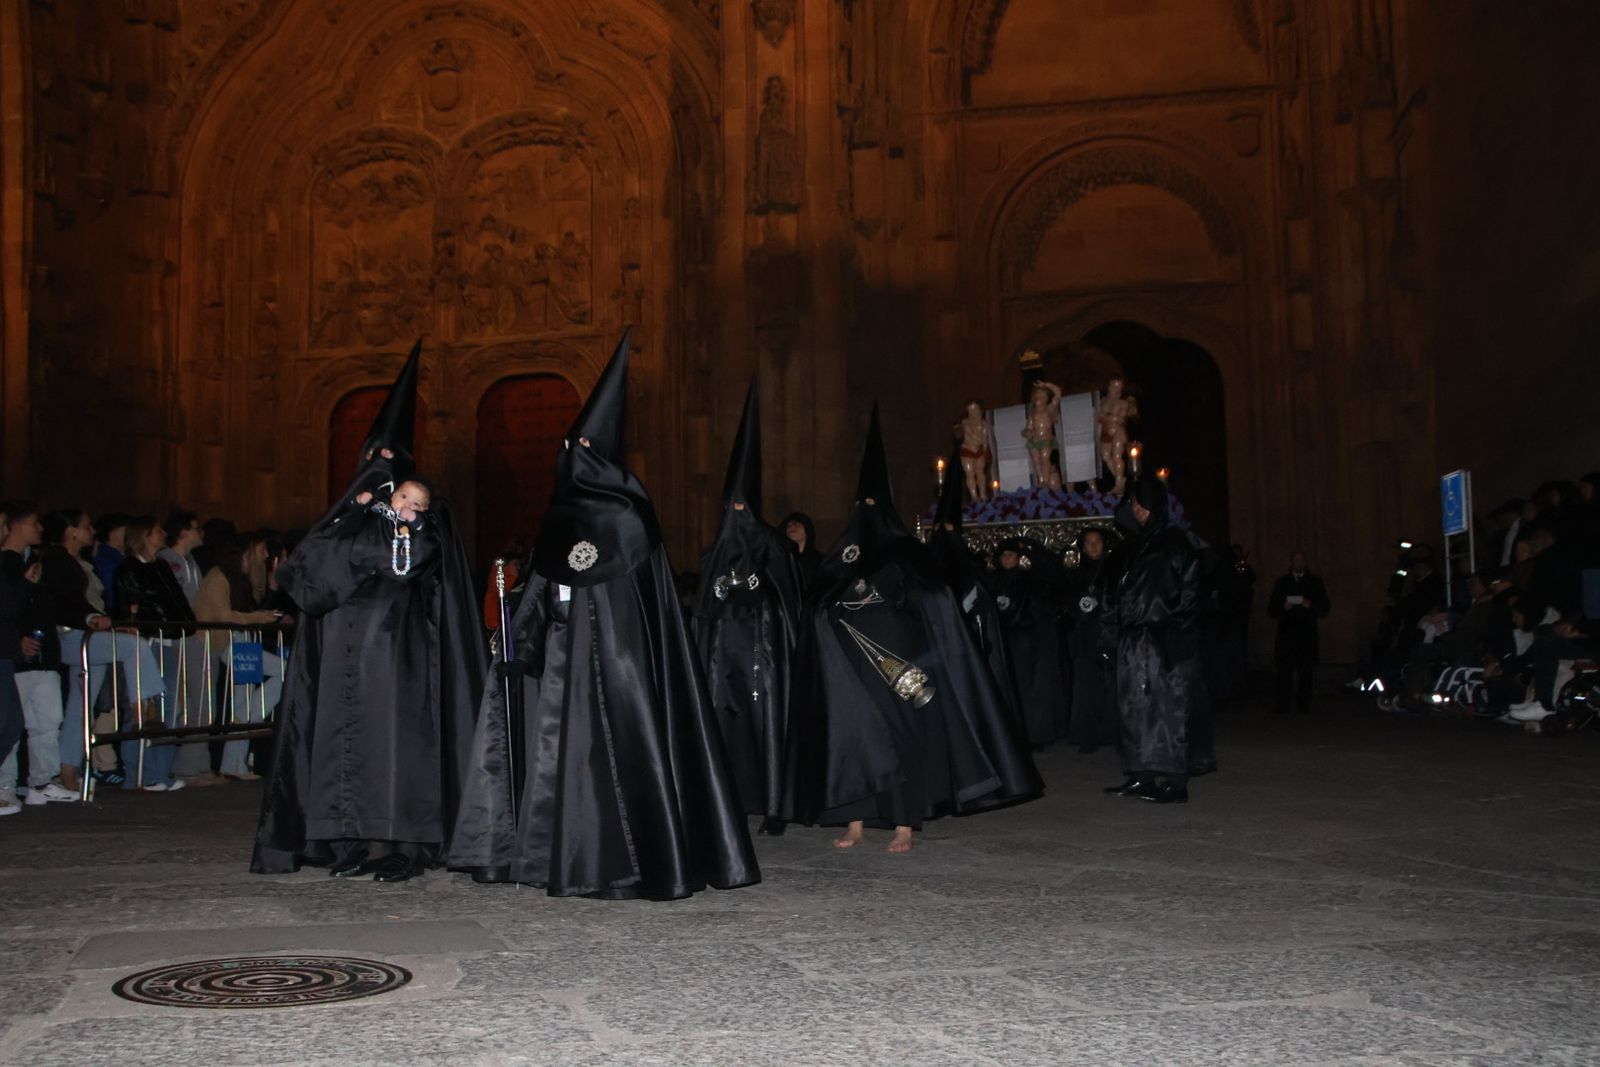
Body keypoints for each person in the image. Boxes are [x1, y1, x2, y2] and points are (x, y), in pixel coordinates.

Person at [449, 331, 760, 898]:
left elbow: (643, 602)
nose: (571, 460)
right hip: (567, 662)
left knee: (625, 756)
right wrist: (520, 639)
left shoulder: (629, 514)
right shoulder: (558, 517)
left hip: (622, 666)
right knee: (564, 761)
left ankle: (638, 864)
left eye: (580, 450)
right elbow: (544, 584)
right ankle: (560, 859)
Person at [253, 340, 486, 882]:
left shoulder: (425, 527)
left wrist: (391, 535)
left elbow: (410, 566)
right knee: (346, 749)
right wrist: (356, 533)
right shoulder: (344, 521)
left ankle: (406, 843)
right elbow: (306, 579)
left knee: (397, 748)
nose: (398, 501)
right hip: (343, 657)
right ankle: (351, 841)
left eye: (410, 496)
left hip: (400, 655)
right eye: (390, 488)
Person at [782, 405, 1042, 853]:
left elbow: (933, 599)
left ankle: (904, 823)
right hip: (850, 669)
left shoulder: (903, 552)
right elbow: (818, 599)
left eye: (872, 505)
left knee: (901, 737)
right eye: (859, 505)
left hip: (901, 667)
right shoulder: (843, 555)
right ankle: (856, 820)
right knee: (853, 739)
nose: (865, 512)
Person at [691, 381, 804, 837]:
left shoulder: (772, 546)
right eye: (729, 507)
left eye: (743, 506)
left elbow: (788, 595)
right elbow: (702, 604)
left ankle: (774, 805)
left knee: (766, 729)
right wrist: (719, 592)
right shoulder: (715, 552)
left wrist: (758, 592)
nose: (735, 514)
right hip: (723, 657)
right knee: (724, 727)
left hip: (763, 655)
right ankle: (726, 799)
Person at [39, 508, 160, 794]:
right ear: (72, 531)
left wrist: (106, 623)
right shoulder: (57, 561)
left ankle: (68, 770)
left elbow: (88, 604)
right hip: (72, 636)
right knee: (135, 646)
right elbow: (64, 604)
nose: (92, 530)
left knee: (80, 709)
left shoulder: (78, 562)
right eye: (86, 526)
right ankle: (144, 706)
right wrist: (91, 619)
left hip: (87, 634)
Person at [1104, 475, 1206, 804]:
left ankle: (1176, 781)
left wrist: (1178, 627)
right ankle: (1141, 775)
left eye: (1141, 502)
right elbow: (1117, 592)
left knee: (1169, 708)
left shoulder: (1177, 542)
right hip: (1134, 640)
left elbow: (1192, 588)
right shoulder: (1133, 546)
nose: (1136, 509)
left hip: (1165, 637)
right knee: (1134, 707)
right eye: (1133, 502)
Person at [193, 532, 284, 780]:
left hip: (240, 643)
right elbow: (225, 616)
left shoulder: (236, 579)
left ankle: (234, 764)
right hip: (231, 644)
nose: (264, 557)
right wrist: (258, 617)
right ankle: (236, 754)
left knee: (244, 699)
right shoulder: (219, 578)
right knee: (283, 672)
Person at [112, 516, 191, 792]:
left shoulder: (160, 566)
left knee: (168, 705)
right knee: (141, 705)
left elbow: (175, 600)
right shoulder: (129, 568)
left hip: (164, 640)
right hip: (144, 641)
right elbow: (131, 605)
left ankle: (160, 771)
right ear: (144, 535)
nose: (163, 534)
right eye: (158, 530)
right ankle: (139, 772)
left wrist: (184, 624)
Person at [987, 536, 1069, 750]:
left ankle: (1034, 735)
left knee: (1030, 689)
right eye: (1004, 555)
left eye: (1012, 555)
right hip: (1001, 640)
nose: (1007, 559)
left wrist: (1031, 549)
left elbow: (1051, 573)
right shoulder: (991, 581)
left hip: (1026, 641)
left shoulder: (1029, 579)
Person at [1065, 526, 1121, 753]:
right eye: (1089, 542)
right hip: (1084, 636)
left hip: (1107, 632)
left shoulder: (1112, 572)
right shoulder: (1074, 574)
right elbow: (1067, 602)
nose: (1094, 545)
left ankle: (1114, 732)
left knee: (1111, 684)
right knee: (1085, 687)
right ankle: (1087, 735)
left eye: (1098, 541)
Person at [1268, 552, 1332, 714]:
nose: (1299, 563)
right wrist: (1284, 607)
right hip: (1286, 633)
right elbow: (1271, 610)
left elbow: (1324, 608)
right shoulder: (1282, 583)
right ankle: (1282, 705)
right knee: (1283, 671)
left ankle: (1304, 706)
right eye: (1296, 560)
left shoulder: (1314, 582)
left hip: (1306, 633)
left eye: (1302, 560)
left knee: (1306, 671)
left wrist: (1310, 605)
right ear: (1291, 562)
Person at [157, 509, 205, 605]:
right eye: (197, 529)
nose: (201, 533)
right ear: (183, 533)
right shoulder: (163, 562)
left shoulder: (193, 562)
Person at [1022, 380, 1064, 490]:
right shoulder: (1033, 414)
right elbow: (1028, 428)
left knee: (1045, 458)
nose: (1039, 398)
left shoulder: (1049, 409)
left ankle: (1045, 480)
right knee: (1036, 461)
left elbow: (1058, 392)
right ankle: (1041, 479)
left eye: (1042, 395)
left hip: (1046, 439)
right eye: (1037, 396)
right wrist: (1027, 432)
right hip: (1034, 440)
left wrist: (1046, 385)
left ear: (1047, 398)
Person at [953, 400, 993, 501]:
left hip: (978, 451)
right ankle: (974, 495)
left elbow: (985, 439)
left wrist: (985, 451)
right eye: (970, 410)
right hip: (967, 450)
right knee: (969, 473)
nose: (973, 412)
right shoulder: (965, 422)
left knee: (980, 472)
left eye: (975, 409)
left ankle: (983, 494)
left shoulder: (983, 424)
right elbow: (959, 434)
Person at [781, 511, 822, 588]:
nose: (791, 527)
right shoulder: (782, 560)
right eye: (788, 526)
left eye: (795, 524)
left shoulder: (820, 560)